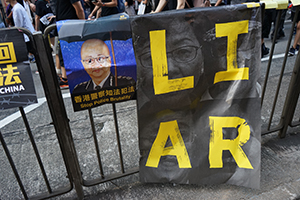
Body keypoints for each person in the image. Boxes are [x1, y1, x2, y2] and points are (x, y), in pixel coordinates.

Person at [56, 0, 85, 89]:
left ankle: (67, 78)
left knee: (69, 52)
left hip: (70, 25)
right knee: (65, 51)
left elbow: (79, 9)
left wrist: (83, 24)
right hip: (65, 25)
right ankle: (66, 78)